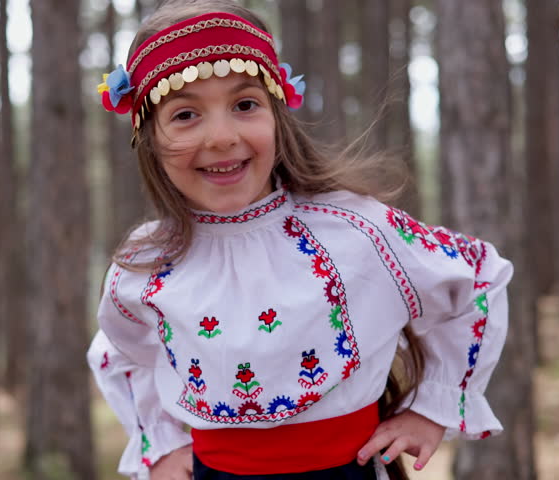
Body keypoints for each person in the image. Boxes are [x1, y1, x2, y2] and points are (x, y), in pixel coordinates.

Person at [87, 1, 512, 479]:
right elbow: (121, 352)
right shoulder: (147, 262)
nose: (222, 136)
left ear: (276, 113)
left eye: (244, 105)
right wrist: (161, 445)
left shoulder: (354, 228)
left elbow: (478, 277)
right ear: (149, 139)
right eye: (185, 115)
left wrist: (432, 407)